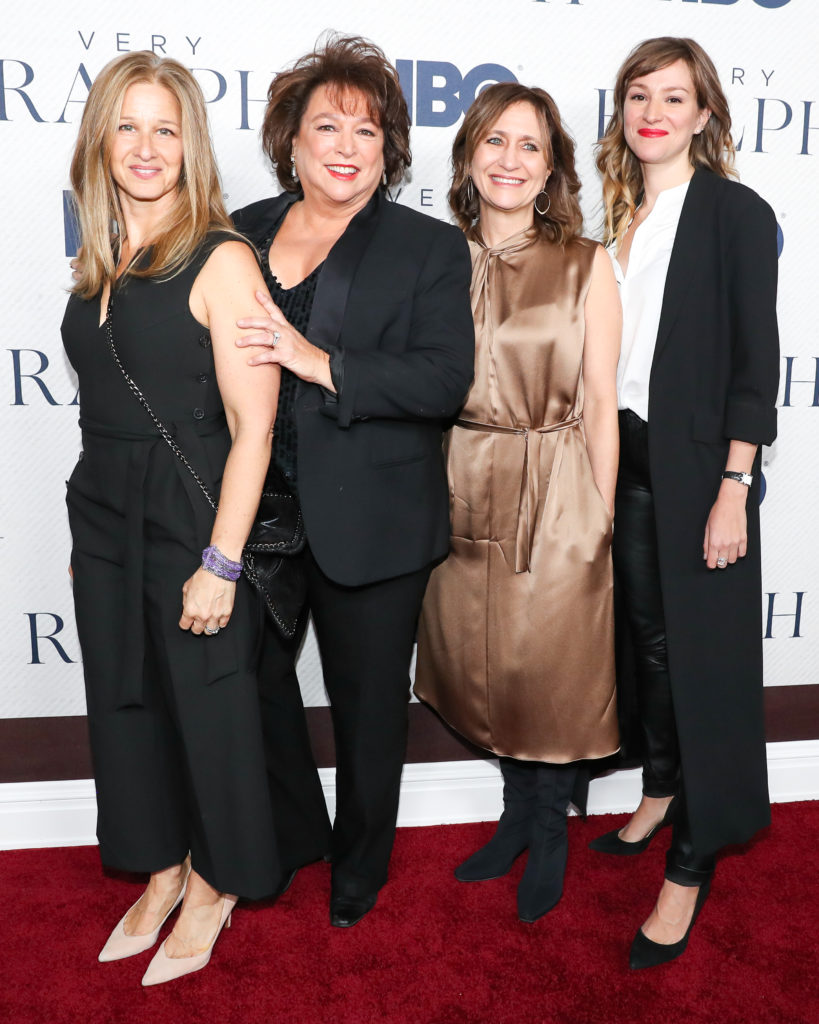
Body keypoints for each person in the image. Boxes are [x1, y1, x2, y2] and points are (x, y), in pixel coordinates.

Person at [230, 35, 475, 928]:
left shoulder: (427, 248)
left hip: (373, 518)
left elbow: (443, 381)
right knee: (248, 685)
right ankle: (300, 831)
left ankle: (359, 866)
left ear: (388, 150)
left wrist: (317, 361)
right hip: (256, 510)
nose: (345, 146)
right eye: (326, 126)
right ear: (290, 141)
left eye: (365, 131)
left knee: (369, 711)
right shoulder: (240, 232)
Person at [62, 51, 283, 985]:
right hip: (104, 508)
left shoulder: (222, 257)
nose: (146, 147)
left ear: (190, 143)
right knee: (124, 697)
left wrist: (221, 561)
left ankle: (219, 878)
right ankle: (161, 867)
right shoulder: (103, 258)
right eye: (128, 126)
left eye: (165, 129)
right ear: (100, 141)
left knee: (208, 703)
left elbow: (254, 426)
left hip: (189, 508)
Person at [588, 37, 779, 968]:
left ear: (704, 113)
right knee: (648, 645)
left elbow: (754, 363)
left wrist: (734, 487)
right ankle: (660, 786)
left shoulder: (735, 214)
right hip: (626, 459)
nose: (653, 112)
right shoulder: (618, 217)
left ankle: (693, 857)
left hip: (704, 470)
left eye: (673, 96)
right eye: (638, 95)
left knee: (704, 665)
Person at [413, 82, 622, 923]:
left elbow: (601, 400)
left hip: (558, 478)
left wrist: (599, 514)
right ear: (468, 156)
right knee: (484, 663)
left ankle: (549, 830)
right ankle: (513, 818)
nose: (509, 159)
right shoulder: (434, 260)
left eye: (528, 144)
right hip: (460, 475)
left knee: (551, 668)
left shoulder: (584, 263)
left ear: (551, 167)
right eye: (494, 141)